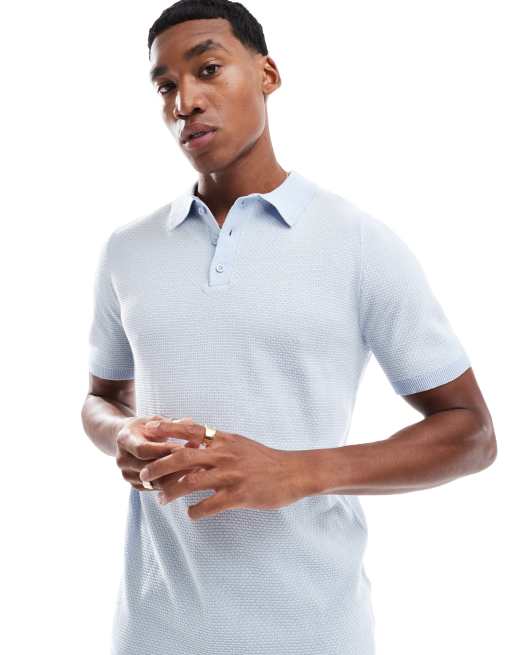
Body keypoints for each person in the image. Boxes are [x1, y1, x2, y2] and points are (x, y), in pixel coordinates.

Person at [81, 1, 497, 654]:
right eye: (165, 86)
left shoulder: (357, 242)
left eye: (208, 69)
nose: (185, 101)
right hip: (151, 634)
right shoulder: (127, 250)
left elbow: (471, 433)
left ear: (267, 74)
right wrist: (121, 435)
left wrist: (297, 471)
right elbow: (100, 399)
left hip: (312, 633)